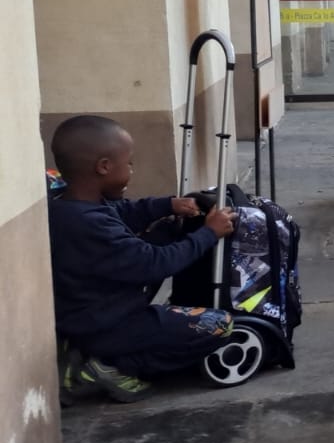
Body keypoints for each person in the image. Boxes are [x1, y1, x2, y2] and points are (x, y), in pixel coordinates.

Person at [47, 116, 237, 403]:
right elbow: (156, 263)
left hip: (92, 309)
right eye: (130, 163)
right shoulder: (89, 225)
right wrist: (209, 234)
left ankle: (101, 352)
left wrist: (168, 205)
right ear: (104, 167)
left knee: (165, 232)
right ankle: (107, 367)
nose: (132, 169)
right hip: (107, 323)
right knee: (220, 324)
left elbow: (124, 211)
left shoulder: (70, 203)